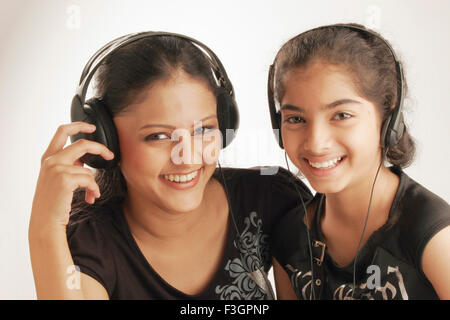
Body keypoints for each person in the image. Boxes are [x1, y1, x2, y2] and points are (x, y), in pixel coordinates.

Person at [28, 32, 312, 300]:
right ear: (106, 140)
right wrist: (44, 227)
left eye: (203, 130)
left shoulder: (271, 198)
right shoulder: (90, 240)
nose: (187, 157)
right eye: (159, 136)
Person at [268, 24, 450, 300]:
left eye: (341, 115)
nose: (316, 143)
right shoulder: (290, 236)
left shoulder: (432, 233)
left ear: (389, 119)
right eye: (296, 119)